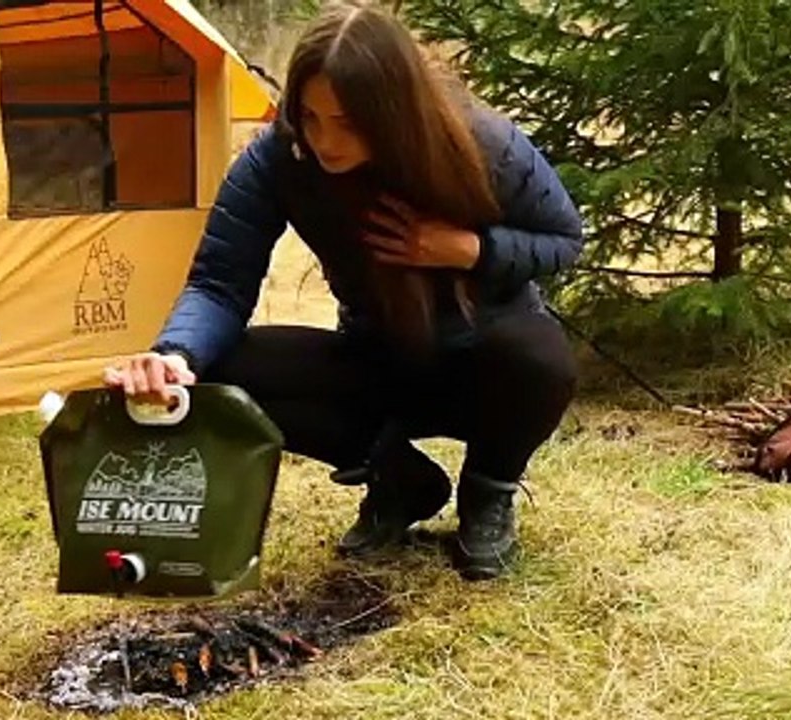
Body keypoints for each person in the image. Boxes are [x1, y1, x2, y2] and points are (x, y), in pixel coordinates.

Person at [103, 0, 583, 581]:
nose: (326, 140)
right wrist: (175, 355)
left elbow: (562, 238)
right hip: (378, 356)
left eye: (349, 123)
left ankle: (487, 492)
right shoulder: (279, 159)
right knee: (220, 368)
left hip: (482, 361)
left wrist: (470, 249)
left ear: (394, 112)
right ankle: (399, 480)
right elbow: (219, 283)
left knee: (541, 358)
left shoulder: (480, 142)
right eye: (310, 117)